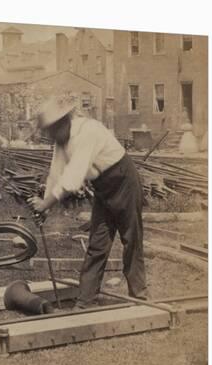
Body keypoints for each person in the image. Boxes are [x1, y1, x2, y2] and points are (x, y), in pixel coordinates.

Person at [29, 97, 148, 308]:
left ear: (63, 122)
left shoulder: (88, 131)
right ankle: (85, 302)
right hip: (103, 187)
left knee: (131, 239)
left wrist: (46, 203)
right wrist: (45, 208)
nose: (50, 136)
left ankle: (139, 297)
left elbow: (73, 177)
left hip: (123, 180)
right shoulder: (62, 141)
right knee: (97, 244)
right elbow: (56, 175)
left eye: (51, 130)